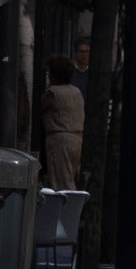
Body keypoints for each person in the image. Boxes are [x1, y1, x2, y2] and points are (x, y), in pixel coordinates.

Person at [40, 55, 85, 187]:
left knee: (60, 180)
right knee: (69, 176)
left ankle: (68, 206)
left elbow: (40, 108)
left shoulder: (53, 92)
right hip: (76, 138)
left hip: (59, 139)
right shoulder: (76, 91)